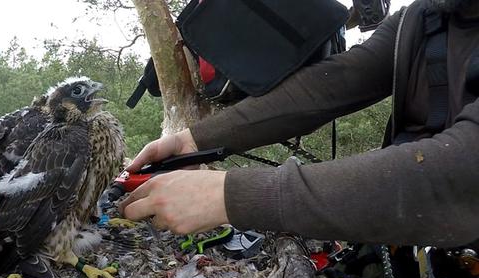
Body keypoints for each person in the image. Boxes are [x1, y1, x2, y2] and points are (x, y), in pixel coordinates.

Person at [120, 0, 479, 249]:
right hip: (415, 244)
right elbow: (333, 82)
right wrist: (194, 140)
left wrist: (231, 197)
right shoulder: (425, 18)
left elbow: (462, 171)